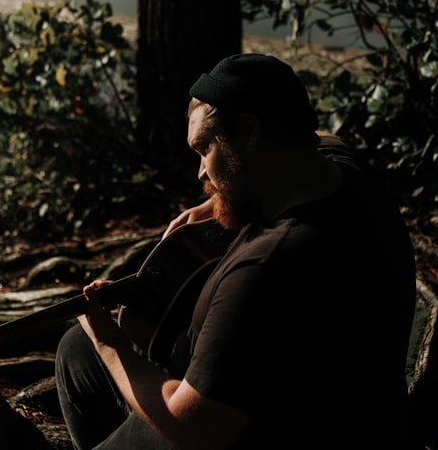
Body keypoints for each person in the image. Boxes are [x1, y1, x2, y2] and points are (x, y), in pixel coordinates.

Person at [55, 53, 416, 450]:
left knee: (98, 345)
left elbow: (191, 427)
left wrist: (112, 342)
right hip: (311, 402)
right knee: (77, 347)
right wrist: (217, 201)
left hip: (236, 430)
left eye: (204, 149)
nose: (200, 173)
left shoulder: (272, 262)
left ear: (248, 133)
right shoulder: (342, 173)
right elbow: (326, 137)